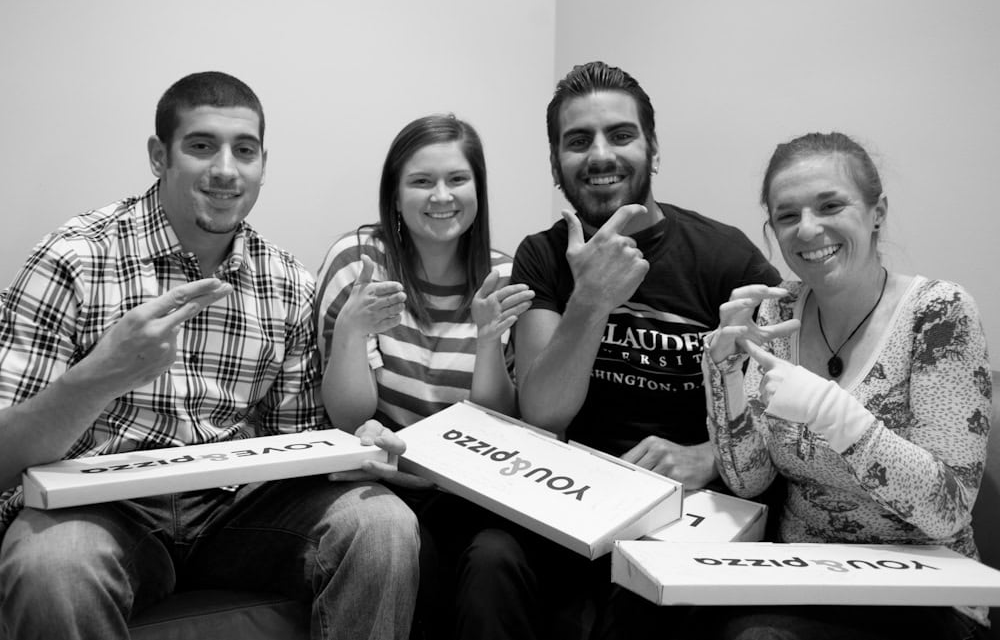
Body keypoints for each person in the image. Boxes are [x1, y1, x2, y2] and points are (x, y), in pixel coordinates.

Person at [0, 71, 419, 640]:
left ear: (263, 164)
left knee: (381, 524)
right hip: (101, 508)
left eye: (244, 150)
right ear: (159, 156)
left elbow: (298, 441)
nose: (226, 169)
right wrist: (99, 377)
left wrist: (354, 448)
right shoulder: (74, 260)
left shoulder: (286, 281)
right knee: (52, 568)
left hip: (238, 507)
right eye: (201, 146)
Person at [450, 61, 781, 640]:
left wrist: (711, 456)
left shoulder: (725, 257)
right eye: (578, 141)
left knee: (642, 595)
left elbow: (785, 406)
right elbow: (543, 413)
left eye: (621, 135)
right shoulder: (543, 255)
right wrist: (592, 297)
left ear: (653, 149)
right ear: (556, 163)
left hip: (683, 510)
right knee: (489, 558)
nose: (600, 155)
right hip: (565, 500)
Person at [700, 131, 992, 640]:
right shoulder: (778, 310)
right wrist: (722, 371)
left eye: (830, 205)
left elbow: (947, 509)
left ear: (877, 212)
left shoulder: (939, 314)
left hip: (926, 590)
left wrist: (826, 409)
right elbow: (749, 480)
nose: (808, 229)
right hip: (805, 580)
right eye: (787, 215)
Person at [313, 113, 534, 638]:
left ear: (478, 190)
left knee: (495, 559)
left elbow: (500, 426)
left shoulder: (504, 277)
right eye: (421, 181)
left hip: (471, 489)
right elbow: (348, 416)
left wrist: (487, 341)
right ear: (394, 195)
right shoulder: (360, 262)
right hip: (381, 482)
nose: (441, 196)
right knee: (412, 549)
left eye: (457, 179)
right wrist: (352, 330)